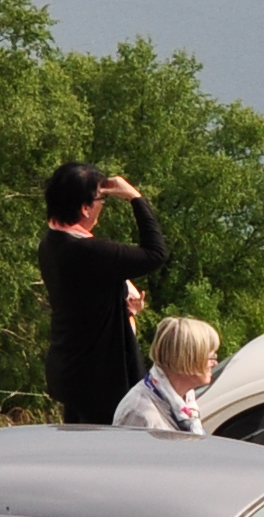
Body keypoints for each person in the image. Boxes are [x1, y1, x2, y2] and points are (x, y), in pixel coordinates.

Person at [36, 162, 164, 427]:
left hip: (71, 369)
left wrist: (123, 308)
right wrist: (135, 197)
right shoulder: (89, 252)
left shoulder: (50, 244)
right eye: (101, 199)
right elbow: (155, 254)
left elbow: (85, 298)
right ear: (85, 207)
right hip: (100, 380)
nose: (101, 207)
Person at [115, 317, 219, 432]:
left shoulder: (187, 400)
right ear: (187, 359)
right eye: (211, 357)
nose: (215, 363)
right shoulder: (138, 413)